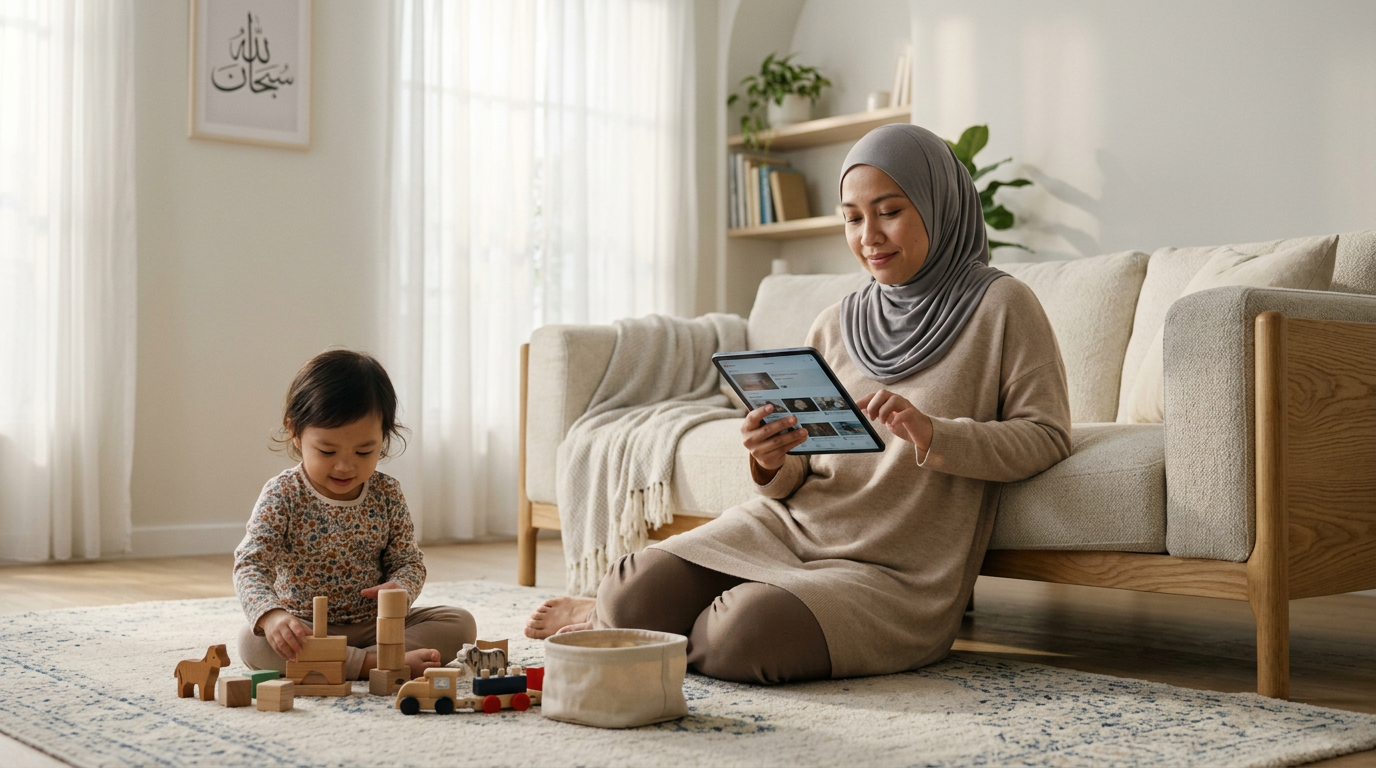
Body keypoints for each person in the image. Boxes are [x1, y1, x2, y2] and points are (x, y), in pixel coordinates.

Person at [526, 124, 1071, 684]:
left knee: (740, 637)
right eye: (853, 218)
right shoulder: (837, 321)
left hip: (893, 571)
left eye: (889, 211)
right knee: (630, 585)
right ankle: (615, 617)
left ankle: (636, 631)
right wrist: (768, 458)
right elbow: (797, 476)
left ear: (940, 206)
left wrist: (936, 434)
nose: (869, 236)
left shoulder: (1002, 305)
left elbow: (1047, 435)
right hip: (786, 529)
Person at [234, 350, 476, 680]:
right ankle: (372, 664)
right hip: (306, 627)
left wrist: (401, 588)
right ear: (296, 432)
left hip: (378, 626)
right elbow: (250, 563)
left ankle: (358, 659)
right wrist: (272, 616)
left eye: (364, 451)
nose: (345, 465)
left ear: (384, 438)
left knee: (459, 623)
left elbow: (409, 561)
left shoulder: (387, 494)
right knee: (252, 643)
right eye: (327, 451)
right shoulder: (283, 494)